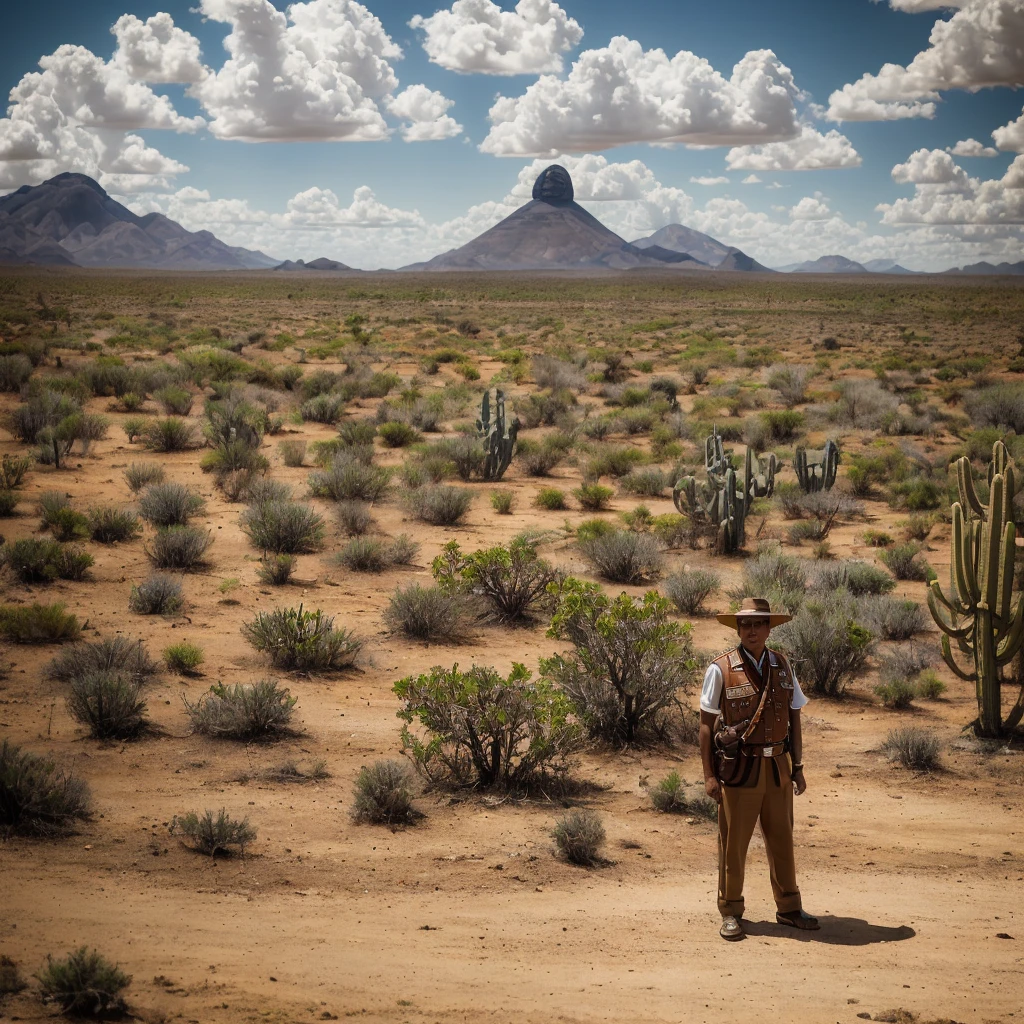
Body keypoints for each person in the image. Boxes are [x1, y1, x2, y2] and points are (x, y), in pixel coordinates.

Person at [699, 597, 819, 941]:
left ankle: (789, 908)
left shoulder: (783, 665)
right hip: (740, 770)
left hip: (779, 767)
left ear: (769, 628)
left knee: (783, 840)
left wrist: (797, 766)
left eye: (758, 624)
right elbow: (706, 725)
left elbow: (795, 717)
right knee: (733, 844)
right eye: (746, 625)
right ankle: (731, 911)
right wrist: (709, 775)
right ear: (738, 629)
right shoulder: (720, 668)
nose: (752, 631)